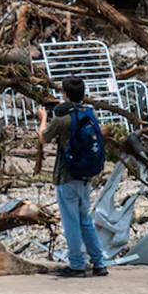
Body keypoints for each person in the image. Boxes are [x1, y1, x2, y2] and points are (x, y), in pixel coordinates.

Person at [37, 77, 109, 278]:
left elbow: (43, 137)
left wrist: (43, 117)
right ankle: (99, 263)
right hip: (85, 176)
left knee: (71, 223)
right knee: (85, 221)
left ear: (65, 94)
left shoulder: (62, 119)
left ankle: (76, 265)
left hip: (66, 177)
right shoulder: (89, 113)